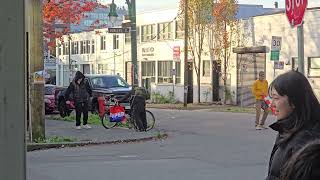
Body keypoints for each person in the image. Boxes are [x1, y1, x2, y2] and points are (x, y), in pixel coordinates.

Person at [266, 70, 320, 180]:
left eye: (276, 98)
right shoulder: (287, 128)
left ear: (294, 101)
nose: (272, 104)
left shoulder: (307, 142)